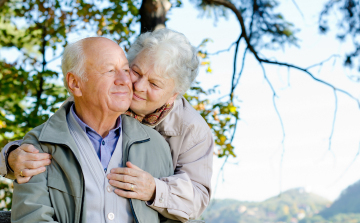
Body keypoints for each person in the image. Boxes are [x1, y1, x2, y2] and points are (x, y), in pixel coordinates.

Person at [2, 28, 213, 222]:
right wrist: (10, 158)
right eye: (135, 72)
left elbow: (198, 199)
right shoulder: (100, 94)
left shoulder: (191, 131)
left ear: (173, 95)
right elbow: (55, 138)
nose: (137, 86)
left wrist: (154, 189)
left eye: (154, 84)